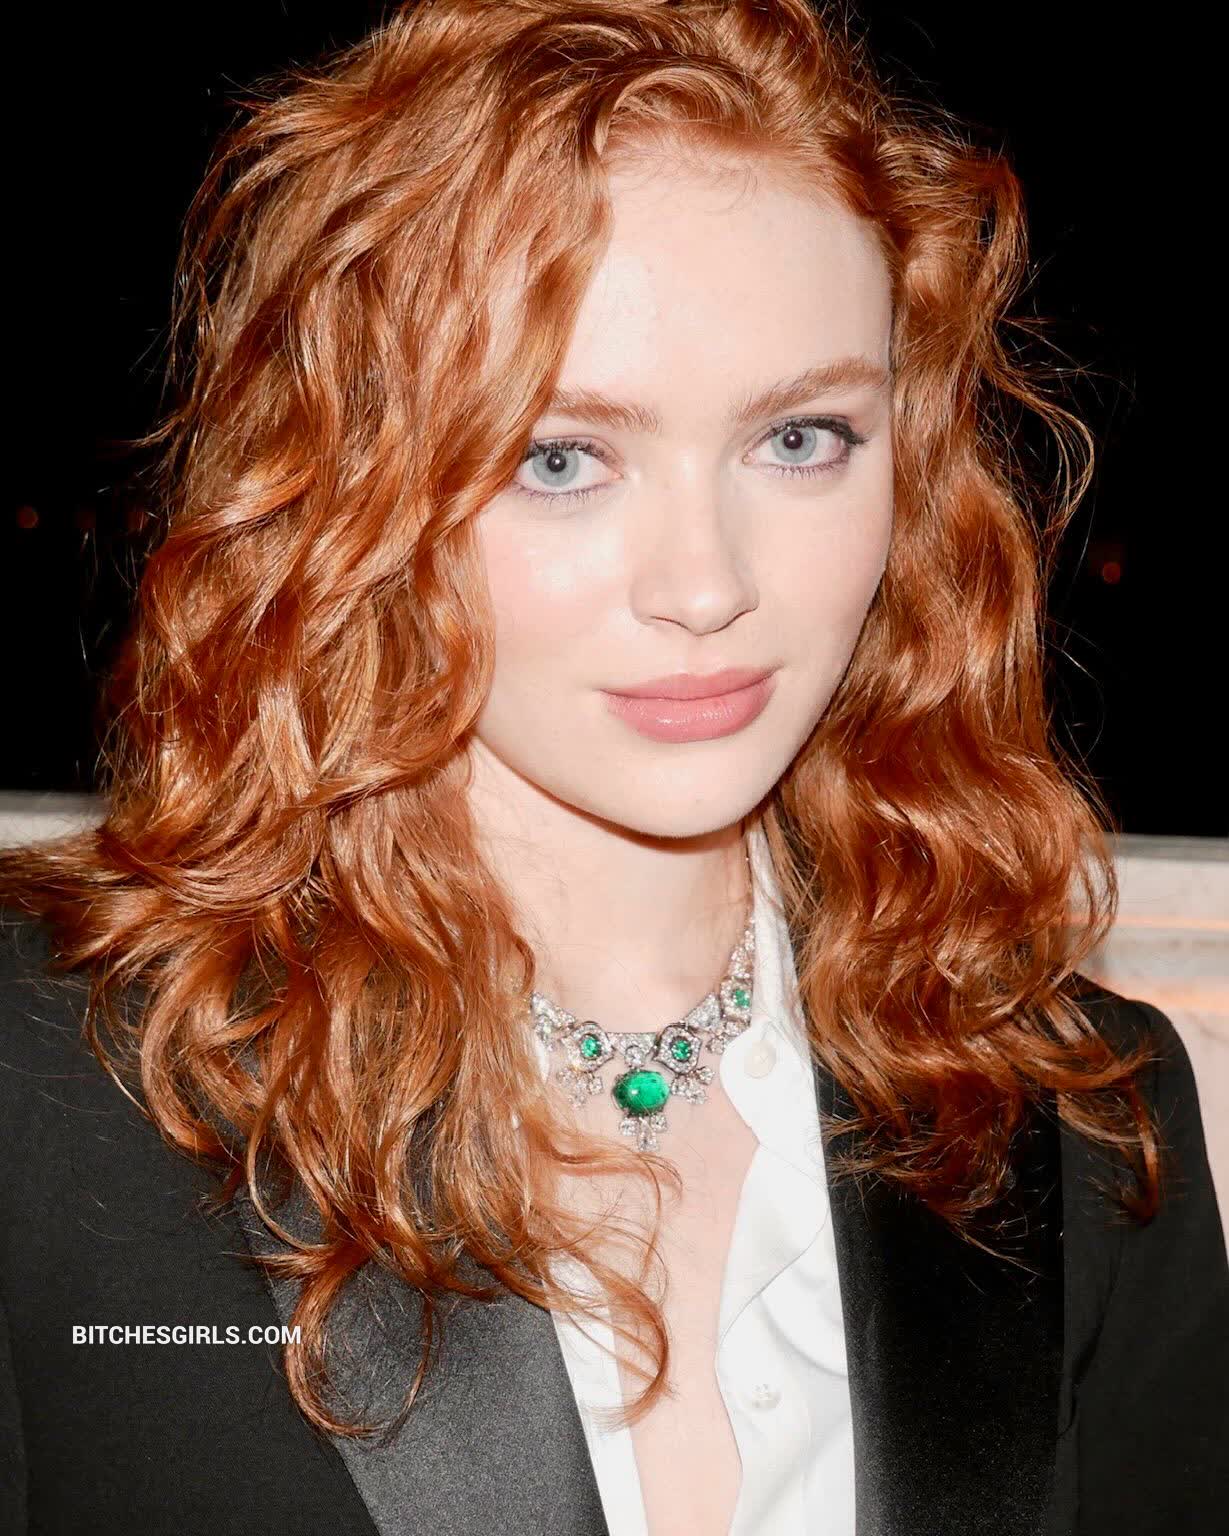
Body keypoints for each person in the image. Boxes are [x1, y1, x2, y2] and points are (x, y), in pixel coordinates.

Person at [1, 2, 1225, 1533]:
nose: (705, 584)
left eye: (800, 439)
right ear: (356, 482)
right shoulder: (45, 1083)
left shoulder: (1083, 1123)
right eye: (559, 457)